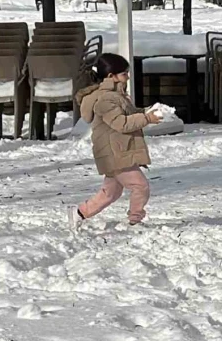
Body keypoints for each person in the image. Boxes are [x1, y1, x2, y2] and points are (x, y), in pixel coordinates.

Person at [69, 54, 161, 230]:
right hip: (115, 153)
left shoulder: (116, 95)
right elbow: (121, 124)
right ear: (111, 76)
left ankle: (79, 213)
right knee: (140, 186)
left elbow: (128, 115)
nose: (128, 77)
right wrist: (147, 118)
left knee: (111, 192)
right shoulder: (105, 99)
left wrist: (146, 112)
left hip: (116, 151)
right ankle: (135, 220)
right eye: (124, 73)